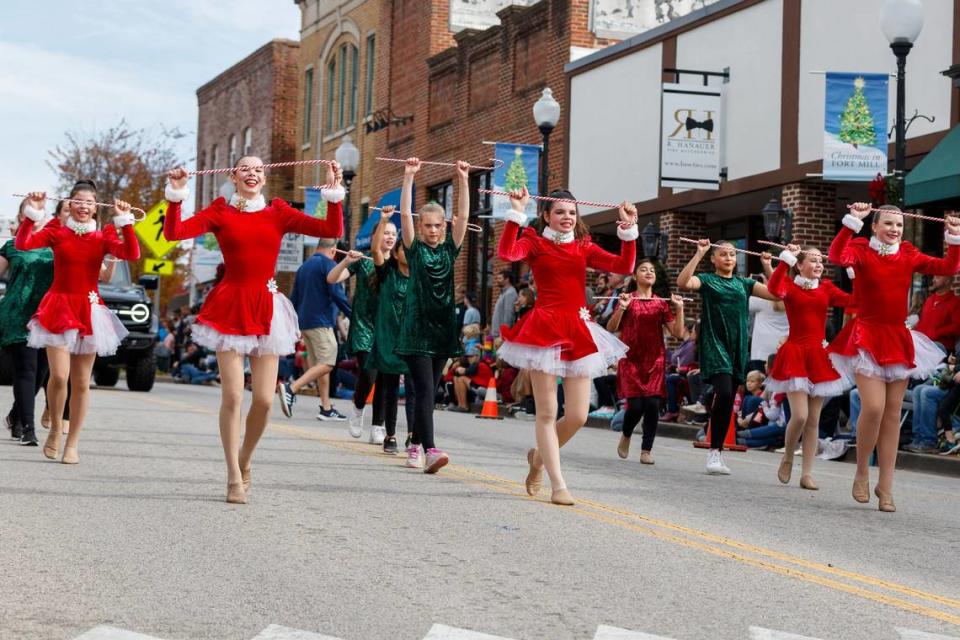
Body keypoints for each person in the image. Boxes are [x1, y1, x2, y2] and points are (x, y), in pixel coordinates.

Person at [164, 158, 344, 504]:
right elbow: (174, 233)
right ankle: (233, 473)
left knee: (263, 400)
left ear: (264, 178)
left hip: (267, 308)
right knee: (232, 395)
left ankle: (245, 459)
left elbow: (328, 229)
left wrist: (333, 190)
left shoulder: (278, 213)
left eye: (259, 169)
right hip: (230, 306)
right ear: (233, 176)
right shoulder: (221, 212)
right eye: (245, 168)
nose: (252, 173)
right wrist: (177, 195)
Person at [499, 187, 637, 505]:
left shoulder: (583, 247)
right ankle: (558, 484)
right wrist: (515, 214)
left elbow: (624, 267)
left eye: (572, 213)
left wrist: (628, 230)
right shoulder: (534, 242)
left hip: (577, 329)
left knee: (577, 415)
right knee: (547, 413)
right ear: (546, 215)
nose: (567, 218)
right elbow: (508, 253)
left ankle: (537, 458)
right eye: (560, 212)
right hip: (544, 329)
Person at [827, 203, 960, 512]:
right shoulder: (861, 249)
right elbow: (837, 256)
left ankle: (885, 486)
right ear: (875, 226)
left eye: (899, 225)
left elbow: (947, 268)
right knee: (872, 407)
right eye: (888, 224)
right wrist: (851, 223)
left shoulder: (908, 253)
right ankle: (861, 471)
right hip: (867, 335)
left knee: (891, 415)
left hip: (897, 337)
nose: (895, 230)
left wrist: (954, 237)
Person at [18, 182, 140, 465]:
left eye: (89, 202)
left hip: (90, 309)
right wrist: (32, 215)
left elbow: (131, 254)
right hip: (58, 307)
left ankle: (73, 441)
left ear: (96, 207)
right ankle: (55, 430)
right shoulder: (56, 231)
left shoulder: (103, 235)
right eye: (78, 201)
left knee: (81, 382)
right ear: (70, 204)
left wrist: (125, 224)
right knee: (59, 376)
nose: (84, 206)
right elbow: (24, 244)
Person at [677, 239, 780, 475]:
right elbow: (683, 282)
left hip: (737, 346)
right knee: (723, 393)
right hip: (715, 343)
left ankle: (716, 450)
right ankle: (713, 450)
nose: (728, 258)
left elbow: (776, 294)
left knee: (728, 397)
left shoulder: (744, 283)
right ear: (714, 259)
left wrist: (768, 266)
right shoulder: (707, 280)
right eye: (723, 254)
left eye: (732, 254)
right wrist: (699, 253)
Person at [396, 157, 471, 474]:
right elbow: (403, 216)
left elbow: (465, 214)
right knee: (424, 390)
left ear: (445, 226)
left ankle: (414, 440)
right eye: (427, 225)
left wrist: (463, 180)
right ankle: (430, 449)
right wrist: (409, 177)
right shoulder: (414, 249)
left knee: (432, 390)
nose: (432, 230)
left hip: (442, 329)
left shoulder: (449, 248)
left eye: (437, 225)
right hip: (416, 329)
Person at [765, 244, 853, 489]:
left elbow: (853, 300)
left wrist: (855, 274)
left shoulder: (825, 288)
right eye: (812, 260)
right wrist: (785, 260)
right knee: (800, 416)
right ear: (800, 265)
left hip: (819, 356)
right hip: (795, 354)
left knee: (813, 419)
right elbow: (773, 287)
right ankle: (789, 456)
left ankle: (807, 473)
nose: (818, 264)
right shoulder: (790, 287)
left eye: (820, 261)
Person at [607, 257, 685, 465]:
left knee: (651, 405)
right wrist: (622, 308)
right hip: (631, 360)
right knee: (635, 406)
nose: (649, 272)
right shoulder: (627, 299)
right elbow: (611, 328)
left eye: (652, 270)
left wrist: (679, 309)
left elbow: (678, 332)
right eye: (643, 269)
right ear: (635, 276)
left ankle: (646, 449)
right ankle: (626, 433)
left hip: (655, 360)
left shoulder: (660, 303)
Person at [0, 198, 55, 446]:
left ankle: (15, 415)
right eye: (28, 211)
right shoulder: (12, 246)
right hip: (19, 313)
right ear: (22, 217)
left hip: (48, 313)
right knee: (27, 369)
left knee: (42, 372)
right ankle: (28, 429)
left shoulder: (55, 245)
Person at [279, 238, 352, 422]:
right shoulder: (328, 264)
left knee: (320, 366)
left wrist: (292, 323)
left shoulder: (304, 266)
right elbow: (337, 293)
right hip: (321, 322)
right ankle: (292, 388)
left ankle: (326, 408)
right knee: (328, 363)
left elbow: (294, 297)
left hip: (305, 323)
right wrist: (352, 314)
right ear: (334, 251)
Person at [327, 233, 386, 442]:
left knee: (385, 377)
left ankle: (378, 425)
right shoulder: (363, 260)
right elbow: (332, 278)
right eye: (385, 233)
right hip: (363, 325)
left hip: (387, 327)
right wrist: (345, 261)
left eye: (393, 234)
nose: (389, 237)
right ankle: (358, 407)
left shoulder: (399, 263)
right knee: (368, 374)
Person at [367, 206, 415, 454]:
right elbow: (375, 249)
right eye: (402, 248)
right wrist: (383, 219)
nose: (407, 251)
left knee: (414, 391)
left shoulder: (418, 278)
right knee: (390, 389)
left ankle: (412, 434)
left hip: (411, 340)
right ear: (395, 254)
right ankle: (391, 435)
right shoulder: (386, 273)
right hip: (388, 340)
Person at [912, 275, 960, 354]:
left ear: (947, 280)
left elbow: (957, 327)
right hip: (922, 343)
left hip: (941, 346)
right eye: (933, 277)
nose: (933, 280)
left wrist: (937, 332)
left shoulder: (955, 302)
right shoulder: (929, 300)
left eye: (937, 277)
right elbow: (922, 323)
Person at [490, 270, 518, 337]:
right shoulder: (503, 293)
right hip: (497, 334)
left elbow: (508, 314)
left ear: (507, 279)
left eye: (500, 278)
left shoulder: (510, 293)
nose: (497, 280)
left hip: (501, 335)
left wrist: (504, 334)